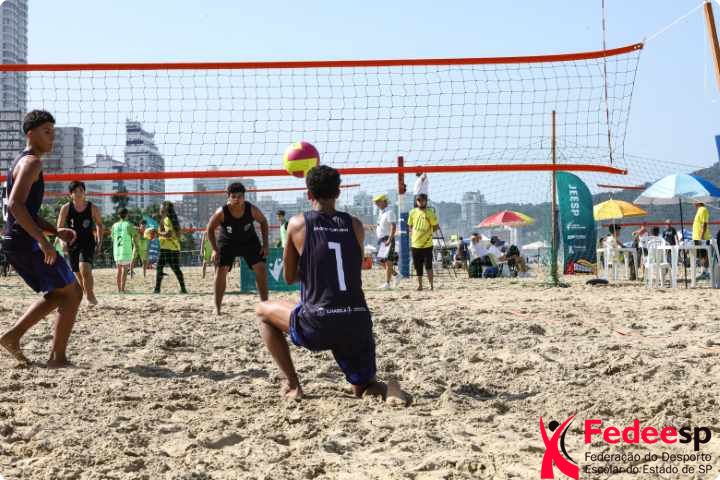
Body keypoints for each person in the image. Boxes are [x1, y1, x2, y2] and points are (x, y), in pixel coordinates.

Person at [255, 165, 385, 400]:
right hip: (357, 323)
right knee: (363, 389)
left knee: (263, 311)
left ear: (308, 194)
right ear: (338, 193)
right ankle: (374, 386)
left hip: (319, 324)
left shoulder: (297, 224)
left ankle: (293, 385)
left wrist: (313, 272)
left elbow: (289, 277)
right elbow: (352, 270)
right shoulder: (356, 225)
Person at [0, 110, 83, 368]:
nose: (52, 137)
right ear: (30, 134)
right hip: (25, 243)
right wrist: (43, 242)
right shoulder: (32, 162)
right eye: (47, 132)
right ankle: (57, 358)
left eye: (53, 132)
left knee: (60, 293)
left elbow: (26, 210)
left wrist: (54, 232)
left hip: (16, 241)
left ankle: (13, 337)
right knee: (74, 293)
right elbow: (15, 205)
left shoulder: (20, 162)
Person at [207, 182, 269, 314]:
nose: (237, 199)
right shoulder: (222, 211)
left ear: (244, 197)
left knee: (261, 268)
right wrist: (214, 249)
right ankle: (217, 308)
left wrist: (265, 245)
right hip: (227, 241)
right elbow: (210, 228)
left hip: (249, 240)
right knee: (221, 270)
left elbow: (263, 221)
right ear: (228, 198)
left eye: (240, 196)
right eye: (233, 197)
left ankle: (265, 305)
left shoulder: (251, 209)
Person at [57, 181, 102, 305]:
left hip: (88, 242)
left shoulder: (92, 207)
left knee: (85, 269)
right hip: (72, 243)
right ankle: (87, 294)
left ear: (84, 192)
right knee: (78, 273)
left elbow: (99, 225)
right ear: (70, 194)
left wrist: (99, 241)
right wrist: (62, 242)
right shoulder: (66, 208)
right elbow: (59, 227)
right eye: (75, 191)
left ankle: (91, 297)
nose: (78, 193)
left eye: (81, 191)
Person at [155, 201, 188, 294]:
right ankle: (183, 289)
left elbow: (169, 234)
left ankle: (157, 289)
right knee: (173, 268)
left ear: (164, 209)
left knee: (162, 267)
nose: (159, 209)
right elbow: (177, 234)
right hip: (172, 247)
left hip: (168, 248)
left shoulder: (166, 219)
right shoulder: (172, 218)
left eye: (161, 207)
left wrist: (157, 233)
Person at [407, 193, 438, 291]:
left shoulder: (430, 213)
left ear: (426, 201)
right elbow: (410, 226)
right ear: (416, 201)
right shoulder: (412, 212)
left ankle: (431, 285)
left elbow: (436, 226)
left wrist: (428, 234)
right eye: (418, 200)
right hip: (415, 244)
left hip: (427, 244)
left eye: (422, 200)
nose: (420, 202)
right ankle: (420, 285)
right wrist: (412, 234)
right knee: (418, 266)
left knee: (428, 266)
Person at [373, 193, 397, 289]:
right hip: (381, 239)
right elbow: (381, 226)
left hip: (387, 238)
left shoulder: (389, 212)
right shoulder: (381, 213)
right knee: (379, 260)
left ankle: (387, 283)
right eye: (376, 203)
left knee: (388, 261)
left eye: (378, 202)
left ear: (384, 201)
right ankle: (396, 275)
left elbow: (393, 227)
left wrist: (390, 239)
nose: (376, 204)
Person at [110, 208, 138, 293]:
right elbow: (135, 235)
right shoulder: (128, 224)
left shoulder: (114, 225)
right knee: (125, 271)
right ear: (127, 214)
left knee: (119, 271)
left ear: (118, 215)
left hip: (117, 251)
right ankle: (122, 289)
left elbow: (112, 238)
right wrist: (136, 245)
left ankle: (119, 289)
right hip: (125, 251)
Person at [692, 200, 711, 280]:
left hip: (702, 237)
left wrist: (701, 236)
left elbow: (704, 223)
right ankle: (703, 272)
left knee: (704, 255)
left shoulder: (703, 209)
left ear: (698, 202)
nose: (693, 203)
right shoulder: (699, 210)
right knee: (701, 255)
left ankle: (705, 272)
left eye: (694, 201)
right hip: (697, 237)